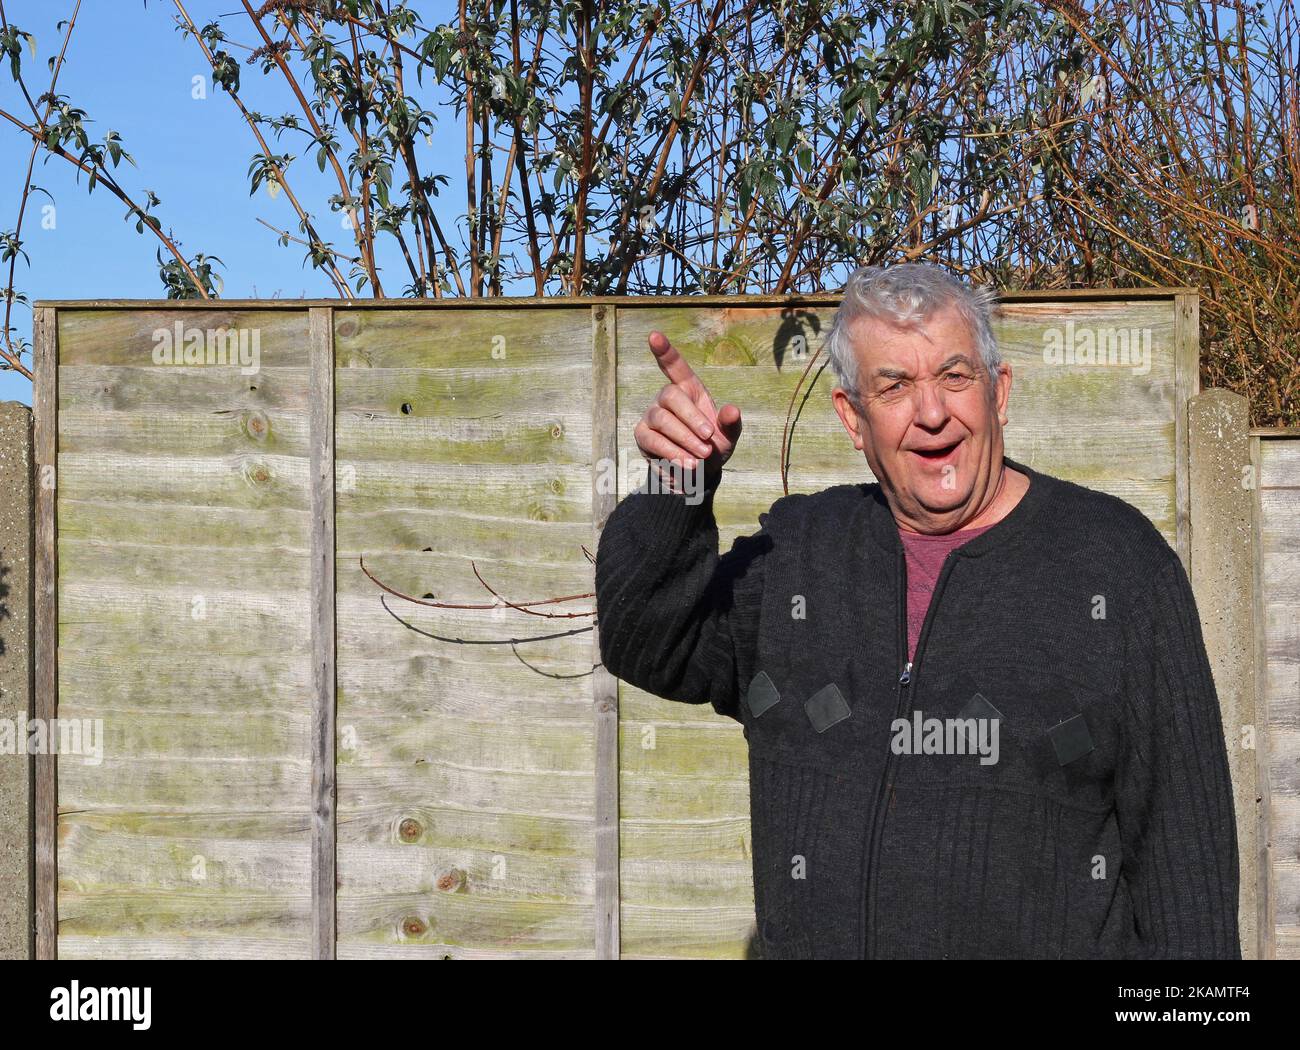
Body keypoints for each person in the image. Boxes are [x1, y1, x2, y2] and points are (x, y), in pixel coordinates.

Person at [594, 262, 1241, 959]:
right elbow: (646, 641)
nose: (932, 412)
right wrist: (677, 484)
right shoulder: (797, 555)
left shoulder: (1119, 569)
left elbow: (1187, 868)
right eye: (895, 386)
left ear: (999, 392)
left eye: (955, 376)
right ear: (853, 418)